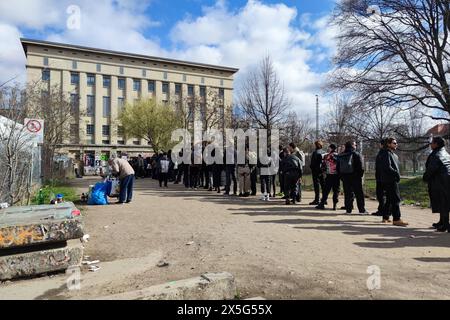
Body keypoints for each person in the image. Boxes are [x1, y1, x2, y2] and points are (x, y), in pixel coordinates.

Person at [377, 138, 408, 226]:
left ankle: (385, 217)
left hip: (388, 179)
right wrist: (396, 174)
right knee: (395, 199)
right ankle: (397, 219)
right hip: (390, 179)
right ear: (388, 144)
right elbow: (387, 167)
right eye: (394, 143)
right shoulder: (386, 153)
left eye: (396, 143)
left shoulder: (389, 153)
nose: (396, 144)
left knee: (390, 199)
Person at [423, 137, 450, 232]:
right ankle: (442, 221)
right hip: (445, 180)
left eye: (432, 143)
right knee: (443, 201)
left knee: (443, 202)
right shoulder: (445, 153)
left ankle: (445, 225)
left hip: (440, 181)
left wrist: (425, 177)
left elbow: (431, 169)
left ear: (436, 144)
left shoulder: (436, 154)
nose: (430, 144)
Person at [337, 141, 367, 214]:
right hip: (355, 177)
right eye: (354, 144)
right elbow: (361, 167)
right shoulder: (356, 154)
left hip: (345, 177)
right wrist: (360, 175)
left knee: (347, 194)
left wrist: (341, 176)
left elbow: (338, 167)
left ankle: (348, 210)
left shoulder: (341, 155)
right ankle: (362, 210)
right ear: (352, 146)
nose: (356, 145)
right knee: (359, 194)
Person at [316, 144, 340, 210]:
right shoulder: (339, 156)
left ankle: (322, 204)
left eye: (329, 148)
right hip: (337, 176)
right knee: (336, 191)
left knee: (326, 190)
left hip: (329, 175)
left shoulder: (327, 156)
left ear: (331, 148)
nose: (328, 149)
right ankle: (335, 205)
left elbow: (323, 165)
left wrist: (322, 172)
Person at [373, 140, 388, 216]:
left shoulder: (382, 153)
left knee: (381, 195)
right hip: (383, 177)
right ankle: (383, 210)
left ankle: (382, 210)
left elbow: (379, 166)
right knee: (383, 195)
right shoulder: (388, 153)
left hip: (381, 177)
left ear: (382, 145)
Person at [309, 140, 325, 205]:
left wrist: (312, 168)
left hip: (316, 171)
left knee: (316, 185)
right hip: (323, 171)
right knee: (323, 185)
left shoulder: (315, 152)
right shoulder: (324, 152)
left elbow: (312, 163)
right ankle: (324, 199)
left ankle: (317, 199)